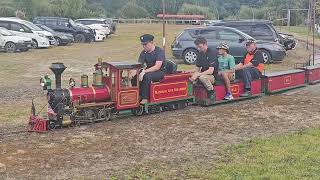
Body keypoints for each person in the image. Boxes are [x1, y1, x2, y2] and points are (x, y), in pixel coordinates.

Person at [137, 34, 166, 103]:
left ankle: (145, 98)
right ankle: (137, 95)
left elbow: (157, 66)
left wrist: (144, 72)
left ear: (151, 42)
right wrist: (134, 72)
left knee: (146, 76)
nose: (144, 46)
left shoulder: (159, 51)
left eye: (145, 44)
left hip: (160, 71)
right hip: (149, 71)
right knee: (137, 75)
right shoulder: (143, 53)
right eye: (142, 45)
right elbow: (139, 65)